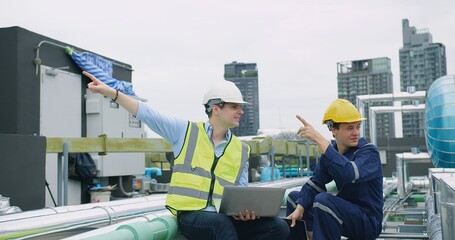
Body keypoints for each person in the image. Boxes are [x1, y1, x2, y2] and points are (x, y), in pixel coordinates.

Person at [83, 71, 290, 240]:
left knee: (278, 227)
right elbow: (146, 113)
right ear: (216, 108)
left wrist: (245, 212)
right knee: (221, 226)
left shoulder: (242, 149)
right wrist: (113, 93)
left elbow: (241, 192)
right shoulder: (185, 132)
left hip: (224, 217)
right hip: (191, 216)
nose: (240, 111)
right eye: (234, 106)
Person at [286, 99, 383, 240]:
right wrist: (299, 209)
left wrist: (319, 139)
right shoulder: (332, 153)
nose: (356, 132)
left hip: (367, 222)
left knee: (324, 201)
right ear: (333, 129)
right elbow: (315, 184)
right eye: (350, 128)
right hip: (345, 216)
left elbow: (349, 173)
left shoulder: (369, 152)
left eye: (357, 126)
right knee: (295, 198)